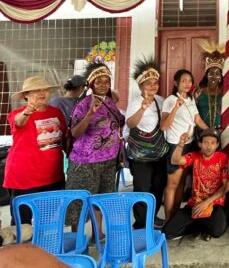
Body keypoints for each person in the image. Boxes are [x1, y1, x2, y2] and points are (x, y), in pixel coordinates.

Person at [67, 62, 123, 234]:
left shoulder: (110, 101)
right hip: (85, 162)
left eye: (107, 81)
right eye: (99, 81)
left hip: (108, 161)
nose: (104, 84)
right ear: (91, 84)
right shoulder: (83, 104)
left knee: (101, 199)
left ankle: (98, 234)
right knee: (80, 202)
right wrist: (91, 113)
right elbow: (75, 132)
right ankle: (77, 239)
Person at [4, 76, 65, 225]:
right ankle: (22, 248)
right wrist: (28, 111)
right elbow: (18, 122)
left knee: (48, 219)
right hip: (25, 176)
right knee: (22, 223)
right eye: (36, 90)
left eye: (44, 89)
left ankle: (41, 247)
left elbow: (64, 138)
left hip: (53, 176)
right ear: (26, 95)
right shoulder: (17, 114)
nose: (42, 93)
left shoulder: (56, 112)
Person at [162, 128, 229, 241]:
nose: (209, 146)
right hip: (195, 202)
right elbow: (175, 161)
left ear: (217, 144)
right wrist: (180, 144)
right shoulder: (194, 156)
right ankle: (199, 226)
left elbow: (225, 187)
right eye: (206, 143)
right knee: (167, 231)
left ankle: (201, 225)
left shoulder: (222, 158)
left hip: (214, 203)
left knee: (217, 231)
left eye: (213, 143)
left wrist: (207, 202)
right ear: (200, 144)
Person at [125, 57, 168, 229]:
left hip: (158, 152)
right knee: (142, 187)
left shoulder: (161, 100)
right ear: (141, 85)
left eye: (155, 83)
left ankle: (153, 216)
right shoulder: (135, 103)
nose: (153, 86)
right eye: (148, 83)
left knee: (158, 186)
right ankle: (141, 223)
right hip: (140, 154)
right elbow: (130, 124)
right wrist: (142, 108)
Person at [161, 69, 209, 220]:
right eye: (183, 80)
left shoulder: (190, 99)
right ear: (175, 83)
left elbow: (197, 120)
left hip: (188, 145)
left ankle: (175, 215)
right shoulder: (170, 100)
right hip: (175, 146)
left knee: (182, 183)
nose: (187, 84)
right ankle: (168, 220)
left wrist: (211, 132)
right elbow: (164, 126)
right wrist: (176, 107)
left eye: (190, 80)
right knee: (172, 185)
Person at [196, 42, 225, 131]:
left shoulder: (225, 92)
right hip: (201, 132)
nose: (213, 76)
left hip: (221, 132)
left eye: (217, 74)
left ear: (220, 77)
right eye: (211, 73)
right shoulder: (198, 92)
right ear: (206, 75)